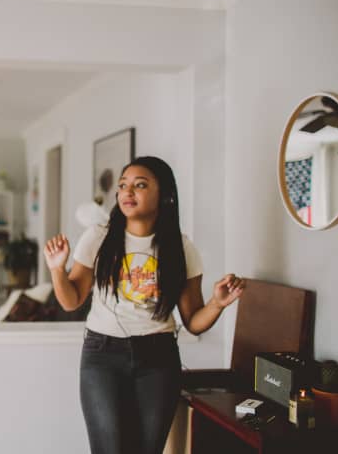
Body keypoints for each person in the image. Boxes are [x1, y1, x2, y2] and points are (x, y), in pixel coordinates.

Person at [43, 156, 246, 454]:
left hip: (159, 358)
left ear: (164, 195)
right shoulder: (98, 237)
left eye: (140, 185)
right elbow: (71, 300)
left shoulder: (181, 247)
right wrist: (57, 269)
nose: (127, 192)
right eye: (123, 185)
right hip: (103, 356)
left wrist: (217, 303)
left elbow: (193, 320)